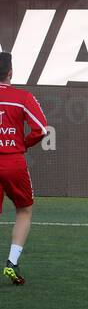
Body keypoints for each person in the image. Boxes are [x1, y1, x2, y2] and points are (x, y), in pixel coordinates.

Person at [0, 51, 49, 286]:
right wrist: (23, 143)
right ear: (10, 72)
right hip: (13, 161)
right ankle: (12, 262)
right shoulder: (22, 97)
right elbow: (41, 129)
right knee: (24, 210)